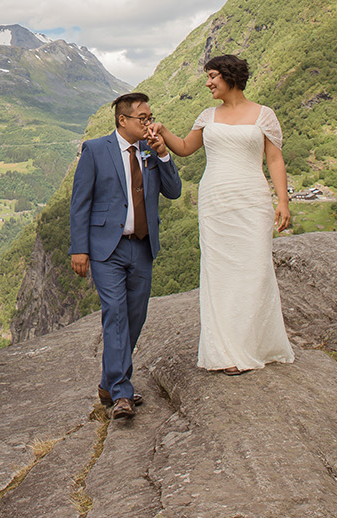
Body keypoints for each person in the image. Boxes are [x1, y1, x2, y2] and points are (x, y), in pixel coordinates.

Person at [156, 54, 294, 374]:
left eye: (213, 76)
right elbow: (187, 147)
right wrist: (163, 131)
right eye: (208, 76)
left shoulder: (264, 115)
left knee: (254, 271)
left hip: (252, 200)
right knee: (219, 274)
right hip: (215, 202)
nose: (208, 83)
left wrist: (283, 202)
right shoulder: (208, 116)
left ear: (231, 77)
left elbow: (275, 160)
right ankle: (226, 352)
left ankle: (251, 345)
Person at [68, 92, 182, 418]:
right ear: (123, 120)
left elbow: (173, 192)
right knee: (115, 312)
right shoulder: (95, 150)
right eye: (142, 118)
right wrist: (79, 248)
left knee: (135, 316)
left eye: (149, 117)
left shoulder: (150, 149)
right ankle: (121, 393)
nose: (149, 123)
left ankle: (108, 382)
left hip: (142, 245)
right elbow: (81, 203)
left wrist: (162, 154)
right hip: (107, 248)